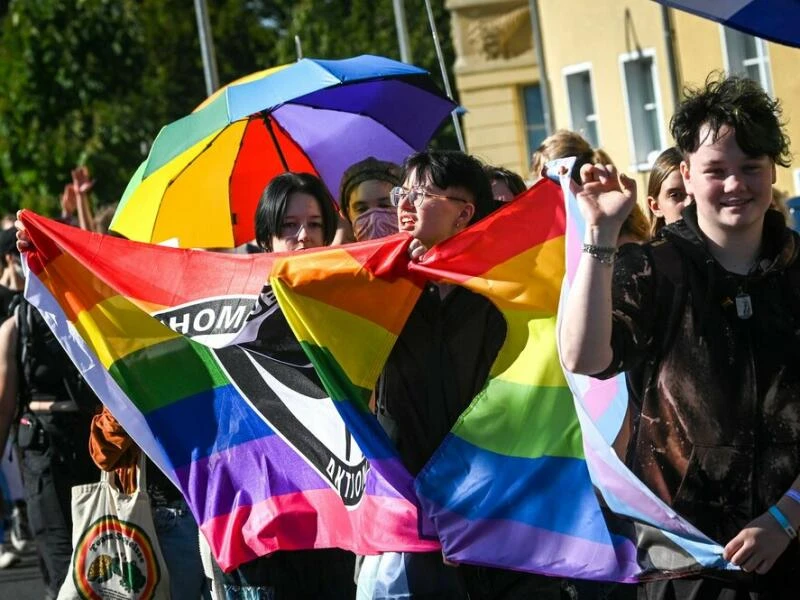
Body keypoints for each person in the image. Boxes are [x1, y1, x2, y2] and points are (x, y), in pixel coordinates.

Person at [560, 74, 799, 599]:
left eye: (750, 169)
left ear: (772, 171)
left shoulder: (796, 269)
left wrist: (787, 516)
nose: (735, 184)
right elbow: (583, 356)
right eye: (716, 171)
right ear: (686, 175)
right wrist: (599, 237)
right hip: (685, 565)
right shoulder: (652, 269)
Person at [365, 150, 565, 600]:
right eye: (403, 192)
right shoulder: (380, 292)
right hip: (420, 520)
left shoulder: (507, 299)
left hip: (506, 513)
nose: (404, 203)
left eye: (422, 193)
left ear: (465, 213)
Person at [224, 171, 356, 600]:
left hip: (339, 507)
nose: (303, 236)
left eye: (314, 224)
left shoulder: (349, 300)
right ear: (266, 237)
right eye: (288, 226)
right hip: (267, 508)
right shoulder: (231, 312)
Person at [0, 256, 100, 598]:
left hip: (43, 445)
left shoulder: (16, 323)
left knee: (60, 552)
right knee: (95, 547)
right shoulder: (89, 312)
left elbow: (4, 404)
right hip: (88, 438)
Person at [338, 156, 401, 242]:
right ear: (346, 215)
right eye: (362, 209)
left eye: (384, 206)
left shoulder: (422, 253)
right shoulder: (338, 254)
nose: (374, 217)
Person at [646, 147, 689, 238]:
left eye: (695, 192)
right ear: (656, 206)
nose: (689, 203)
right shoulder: (650, 252)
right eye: (675, 195)